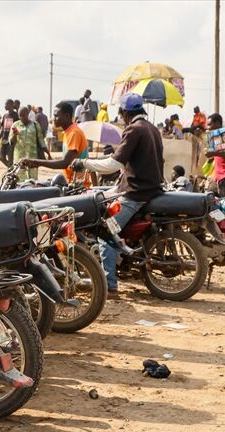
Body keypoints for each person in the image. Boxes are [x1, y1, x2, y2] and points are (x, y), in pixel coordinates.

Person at [71, 92, 164, 297]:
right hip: (147, 187)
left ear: (124, 112)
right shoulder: (152, 129)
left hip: (135, 194)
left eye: (120, 113)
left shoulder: (134, 130)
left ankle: (109, 285)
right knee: (98, 195)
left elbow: (114, 164)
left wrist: (84, 163)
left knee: (106, 234)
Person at [18, 100, 92, 188]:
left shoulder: (74, 133)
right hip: (69, 181)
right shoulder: (68, 132)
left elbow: (64, 163)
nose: (54, 118)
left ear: (67, 116)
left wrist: (36, 162)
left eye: (56, 116)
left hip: (77, 185)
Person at [10, 106, 46, 181]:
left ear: (28, 114)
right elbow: (11, 142)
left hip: (32, 160)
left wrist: (48, 154)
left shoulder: (35, 125)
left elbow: (41, 141)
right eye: (20, 115)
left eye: (23, 115)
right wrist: (14, 135)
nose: (21, 117)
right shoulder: (15, 125)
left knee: (33, 182)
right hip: (19, 160)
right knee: (19, 182)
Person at [0, 100, 18, 168]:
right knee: (1, 157)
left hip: (11, 140)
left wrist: (15, 138)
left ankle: (11, 170)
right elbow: (2, 128)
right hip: (4, 139)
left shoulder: (16, 115)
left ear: (11, 105)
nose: (5, 106)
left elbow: (18, 128)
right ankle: (11, 168)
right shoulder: (5, 115)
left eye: (6, 104)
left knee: (10, 158)